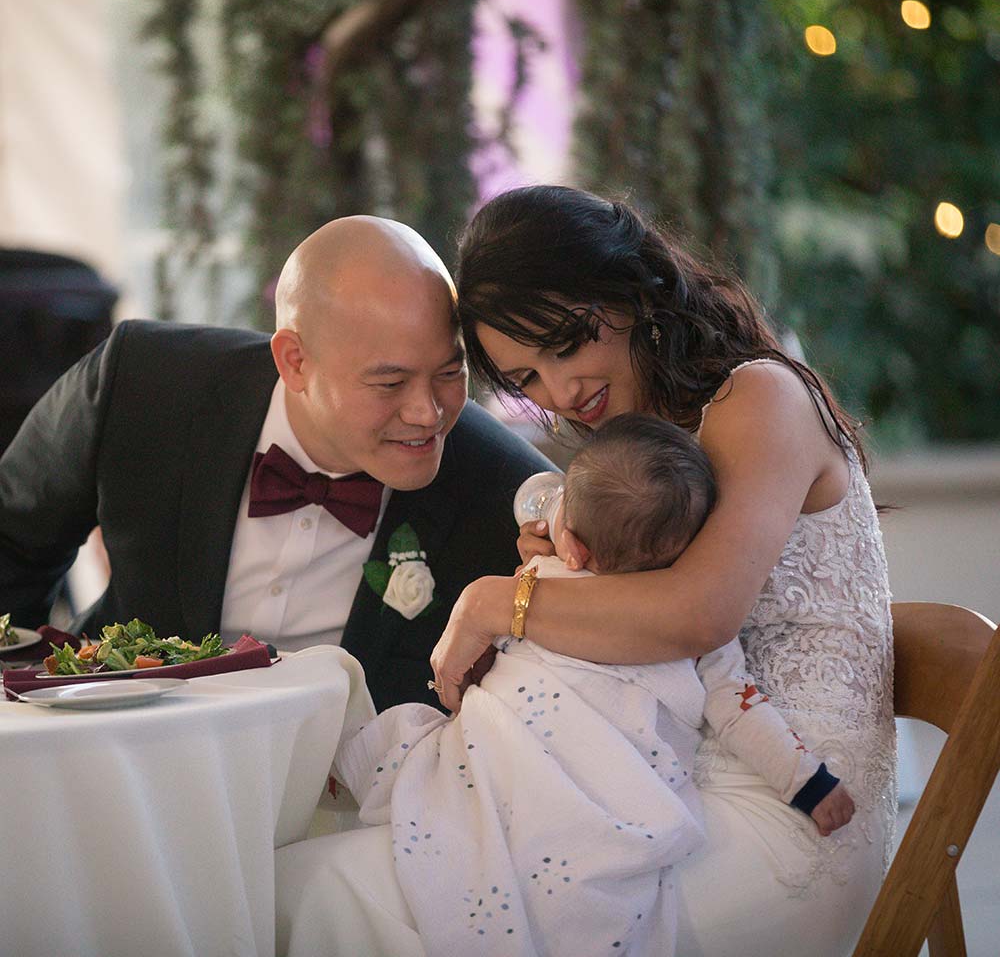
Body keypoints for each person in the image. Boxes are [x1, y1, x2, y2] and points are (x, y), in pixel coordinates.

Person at [276, 187, 895, 957]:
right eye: (526, 378)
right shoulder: (647, 438)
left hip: (792, 813)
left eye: (566, 343)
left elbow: (701, 617)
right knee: (347, 862)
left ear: (628, 286)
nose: (562, 393)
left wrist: (503, 602)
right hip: (653, 788)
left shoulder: (758, 396)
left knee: (323, 893)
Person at [282, 413, 854, 957]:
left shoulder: (544, 586)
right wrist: (807, 782)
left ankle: (345, 780)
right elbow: (741, 710)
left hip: (504, 757)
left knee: (414, 741)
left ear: (574, 546)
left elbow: (492, 640)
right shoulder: (695, 631)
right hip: (601, 795)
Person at [0, 216, 554, 710]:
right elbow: (12, 538)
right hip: (120, 752)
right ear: (295, 362)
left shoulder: (503, 486)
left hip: (347, 800)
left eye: (449, 373)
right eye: (390, 382)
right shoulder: (143, 385)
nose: (427, 411)